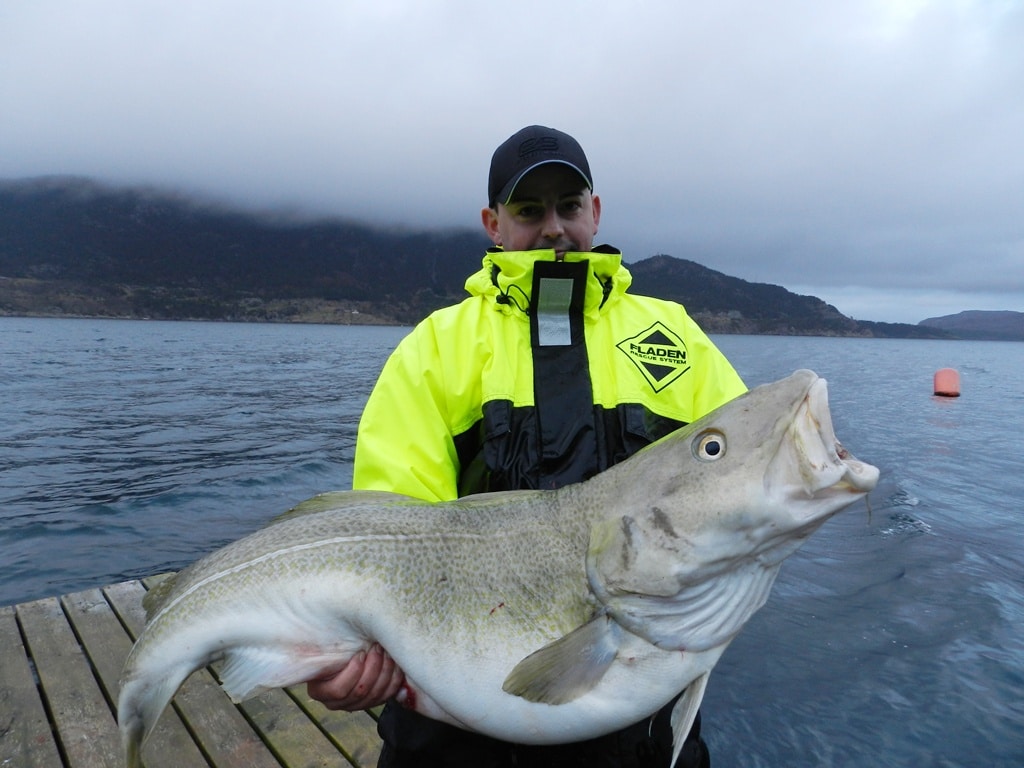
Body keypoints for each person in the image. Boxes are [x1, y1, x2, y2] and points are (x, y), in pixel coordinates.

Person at [307, 125, 748, 767]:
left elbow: (743, 473)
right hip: (454, 734)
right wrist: (356, 649)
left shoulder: (672, 336)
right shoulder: (435, 350)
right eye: (529, 209)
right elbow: (389, 539)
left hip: (636, 727)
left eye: (569, 206)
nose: (552, 227)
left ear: (594, 213)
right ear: (493, 223)